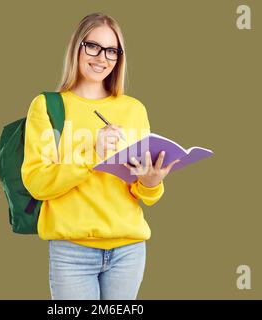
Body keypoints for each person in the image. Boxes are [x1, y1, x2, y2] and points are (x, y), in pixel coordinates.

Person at [21, 12, 180, 300]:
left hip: (129, 251)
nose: (101, 57)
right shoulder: (47, 106)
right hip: (71, 251)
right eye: (92, 46)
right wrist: (91, 153)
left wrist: (152, 181)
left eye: (111, 51)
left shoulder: (134, 109)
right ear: (76, 48)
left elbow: (145, 194)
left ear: (119, 58)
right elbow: (37, 183)